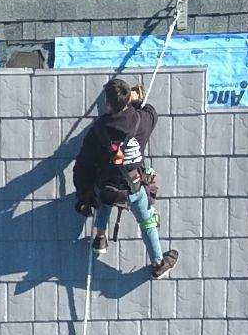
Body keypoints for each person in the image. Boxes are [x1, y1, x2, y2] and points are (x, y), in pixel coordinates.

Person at [72, 75, 180, 280]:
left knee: (104, 199)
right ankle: (158, 263)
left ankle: (100, 238)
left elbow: (83, 163)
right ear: (127, 100)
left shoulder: (98, 130)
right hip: (134, 188)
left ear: (108, 104)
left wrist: (84, 193)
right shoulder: (141, 121)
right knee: (146, 221)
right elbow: (152, 112)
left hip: (107, 188)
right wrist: (135, 99)